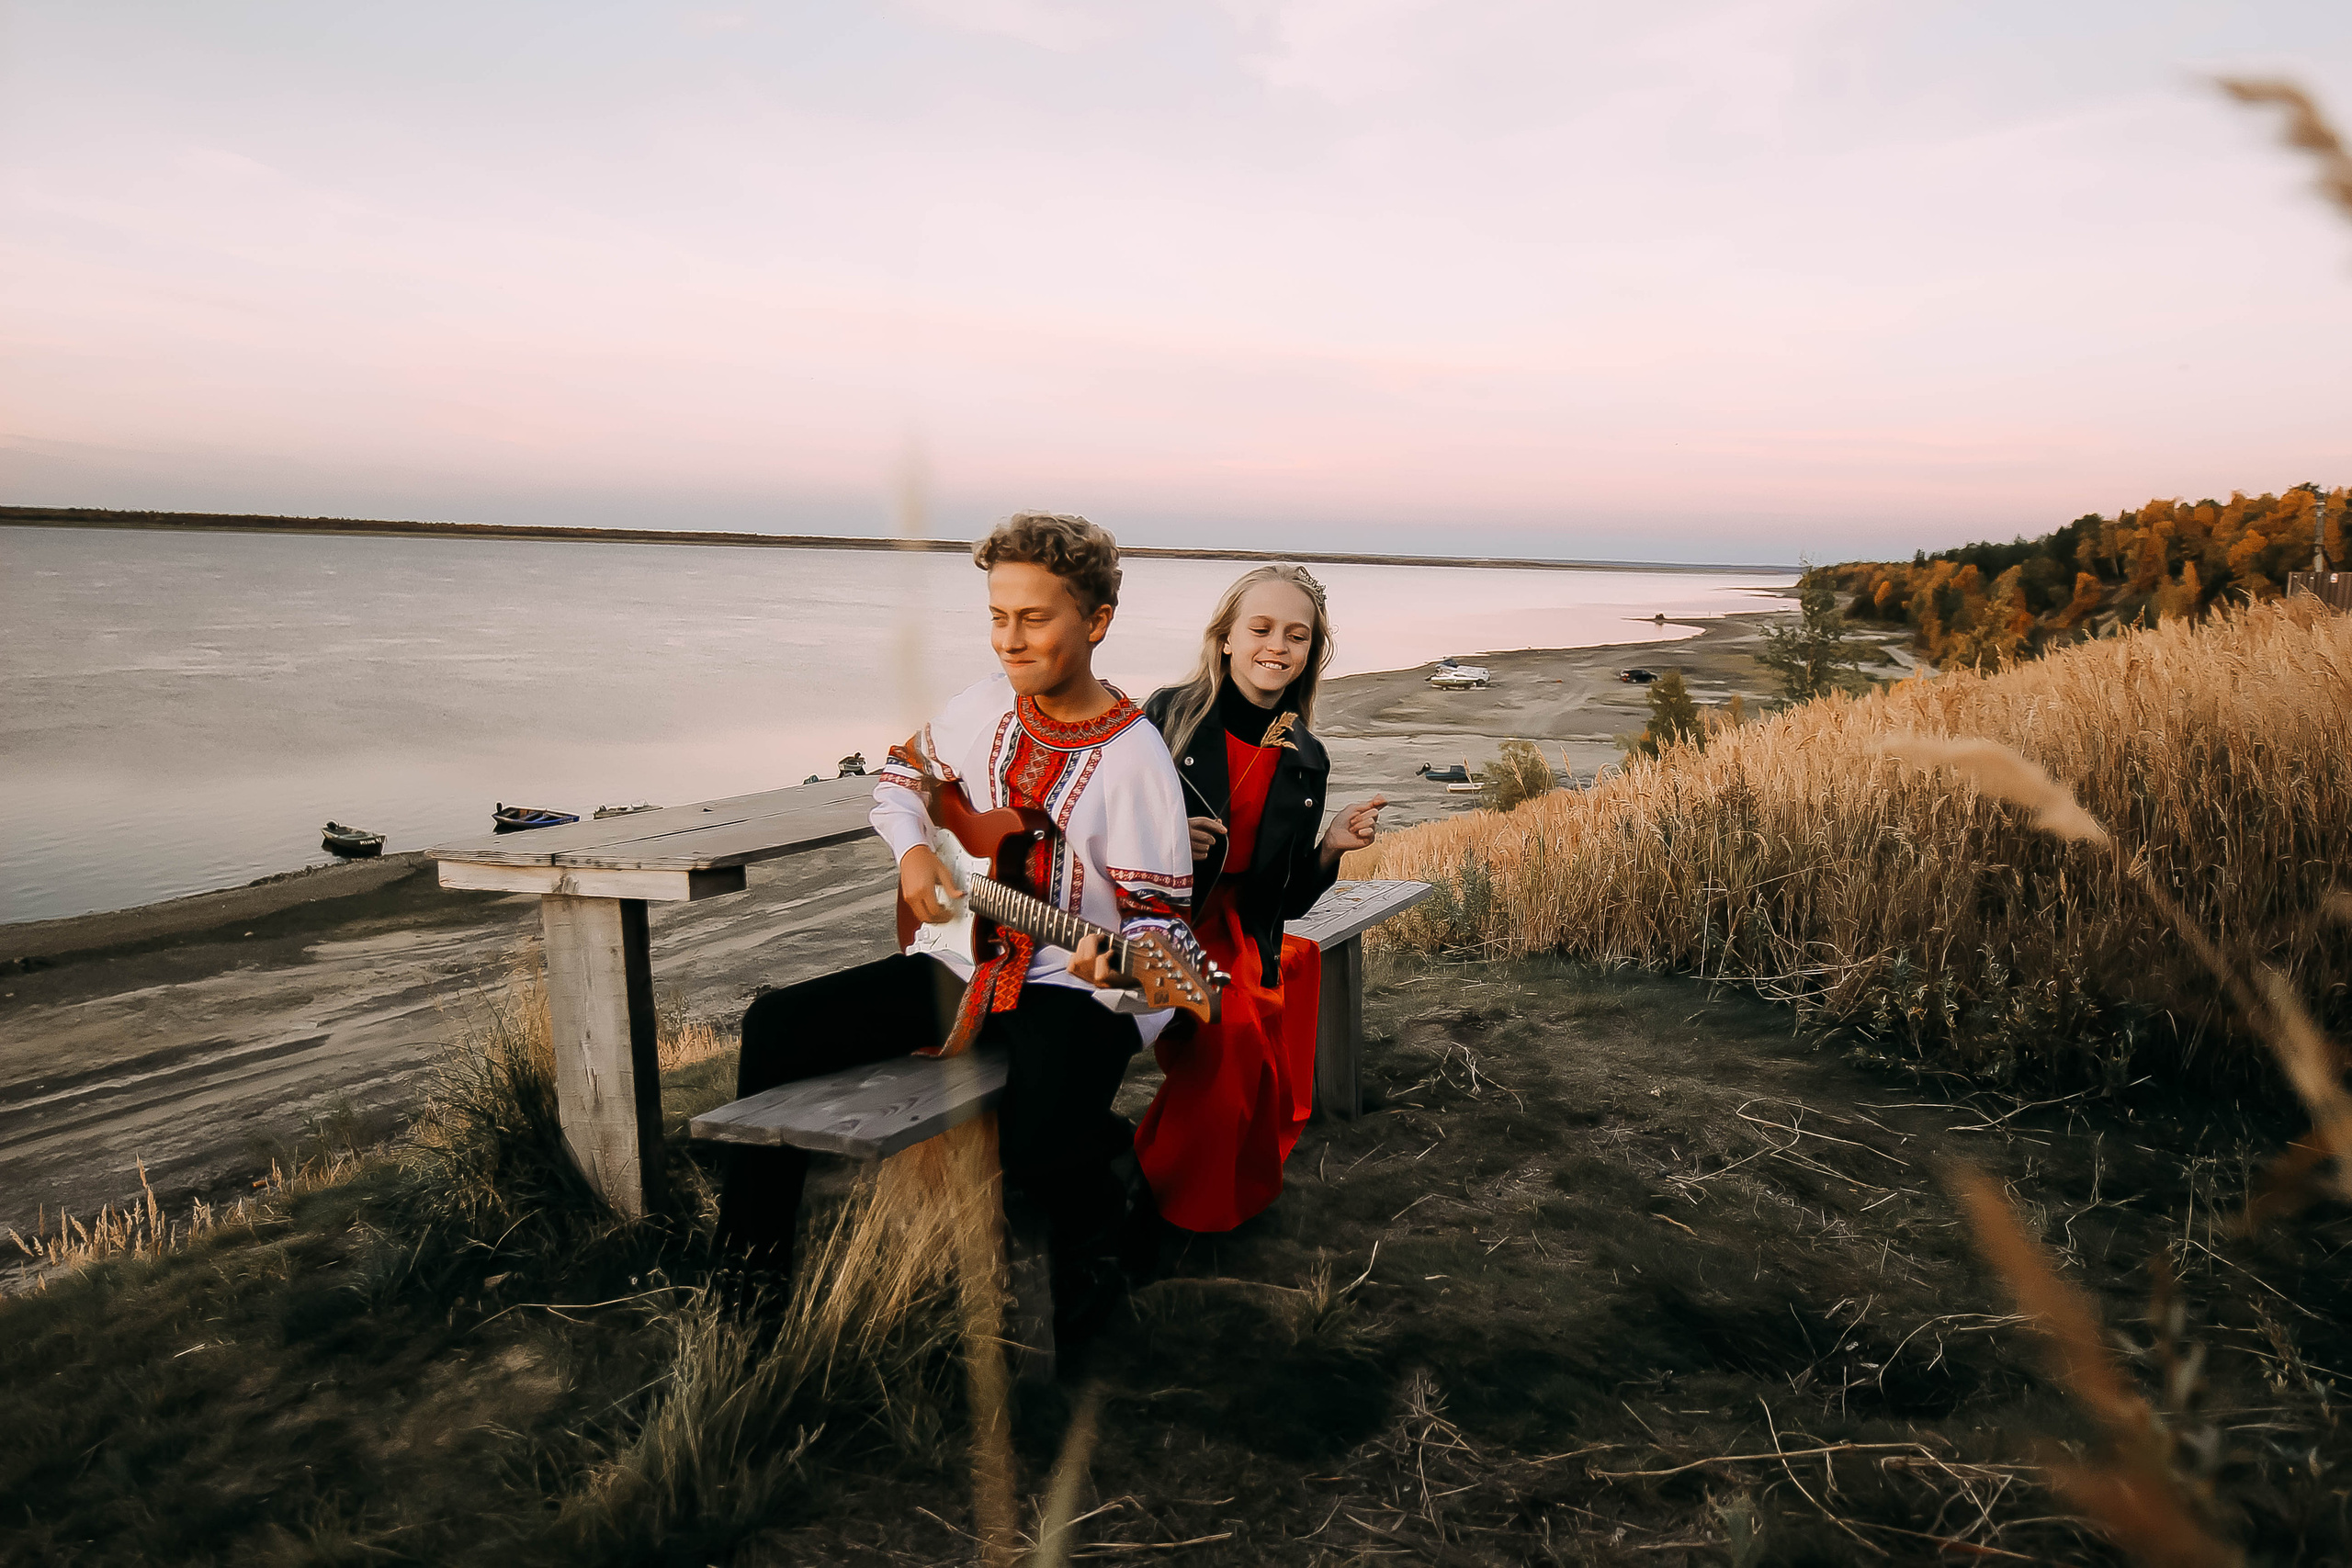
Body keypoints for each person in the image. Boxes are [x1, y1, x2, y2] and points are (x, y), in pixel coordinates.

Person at [715, 513, 1195, 1337]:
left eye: (1033, 617)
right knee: (774, 1026)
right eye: (997, 616)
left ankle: (1101, 1254)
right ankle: (744, 1293)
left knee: (1039, 1142)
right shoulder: (983, 705)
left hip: (1070, 984)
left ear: (1097, 623)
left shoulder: (1135, 758)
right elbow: (901, 776)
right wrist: (912, 855)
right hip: (961, 959)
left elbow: (1164, 944)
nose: (1009, 639)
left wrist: (1106, 976)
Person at [1133, 564, 1386, 1234]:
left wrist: (1330, 846)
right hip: (1152, 923)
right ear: (1224, 638)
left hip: (1245, 935)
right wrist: (1161, 846)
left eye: (1296, 635)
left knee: (1243, 1032)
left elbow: (1291, 900)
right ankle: (1173, 1194)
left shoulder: (1306, 754)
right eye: (1262, 628)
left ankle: (1189, 1197)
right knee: (1233, 1030)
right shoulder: (1168, 715)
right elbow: (1097, 827)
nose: (1277, 645)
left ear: (1310, 653)